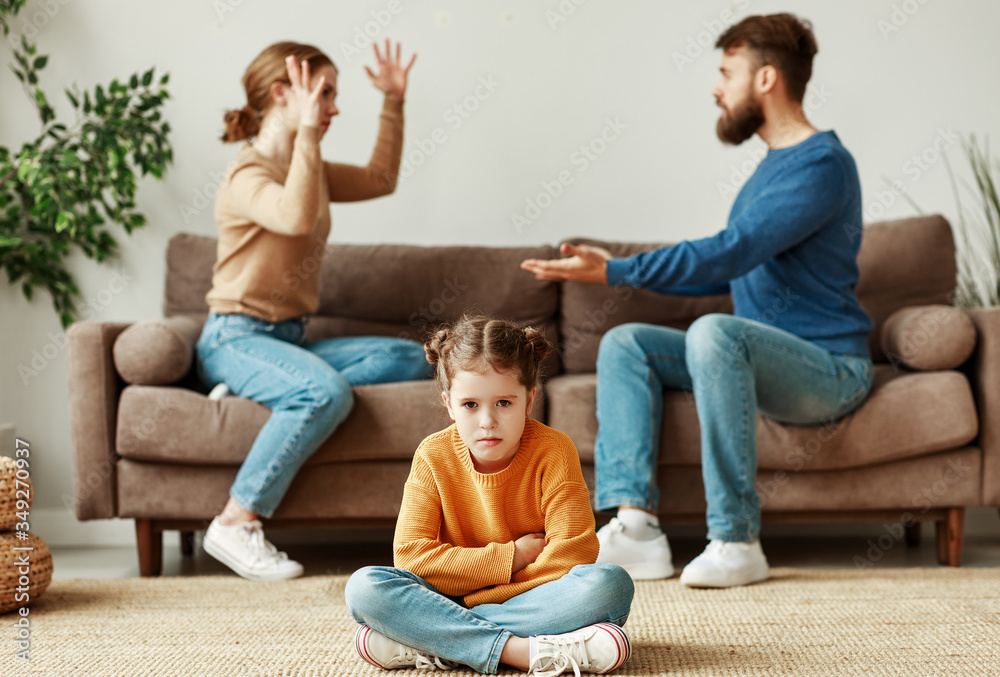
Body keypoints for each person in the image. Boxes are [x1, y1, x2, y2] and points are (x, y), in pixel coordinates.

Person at [520, 13, 875, 589]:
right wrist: (615, 273)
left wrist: (614, 270)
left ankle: (737, 540)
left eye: (726, 72)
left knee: (715, 330)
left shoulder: (822, 165)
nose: (716, 87)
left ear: (765, 79)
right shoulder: (770, 171)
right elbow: (730, 265)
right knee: (627, 343)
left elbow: (731, 252)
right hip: (761, 359)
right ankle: (636, 528)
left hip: (830, 368)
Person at [195, 40, 430, 582]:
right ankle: (236, 520)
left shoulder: (312, 166)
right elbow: (296, 217)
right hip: (234, 337)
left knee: (410, 358)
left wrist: (392, 102)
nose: (334, 108)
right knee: (322, 392)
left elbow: (379, 179)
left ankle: (263, 384)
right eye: (325, 94)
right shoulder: (246, 175)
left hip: (290, 340)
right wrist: (304, 132)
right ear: (283, 94)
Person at [345, 315, 634, 675]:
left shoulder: (555, 450)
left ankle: (433, 638)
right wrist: (511, 557)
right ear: (449, 404)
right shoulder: (432, 455)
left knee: (609, 586)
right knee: (365, 587)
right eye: (470, 405)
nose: (487, 421)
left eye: (503, 403)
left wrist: (467, 603)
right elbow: (412, 560)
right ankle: (520, 651)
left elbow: (572, 557)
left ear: (529, 400)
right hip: (454, 596)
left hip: (479, 600)